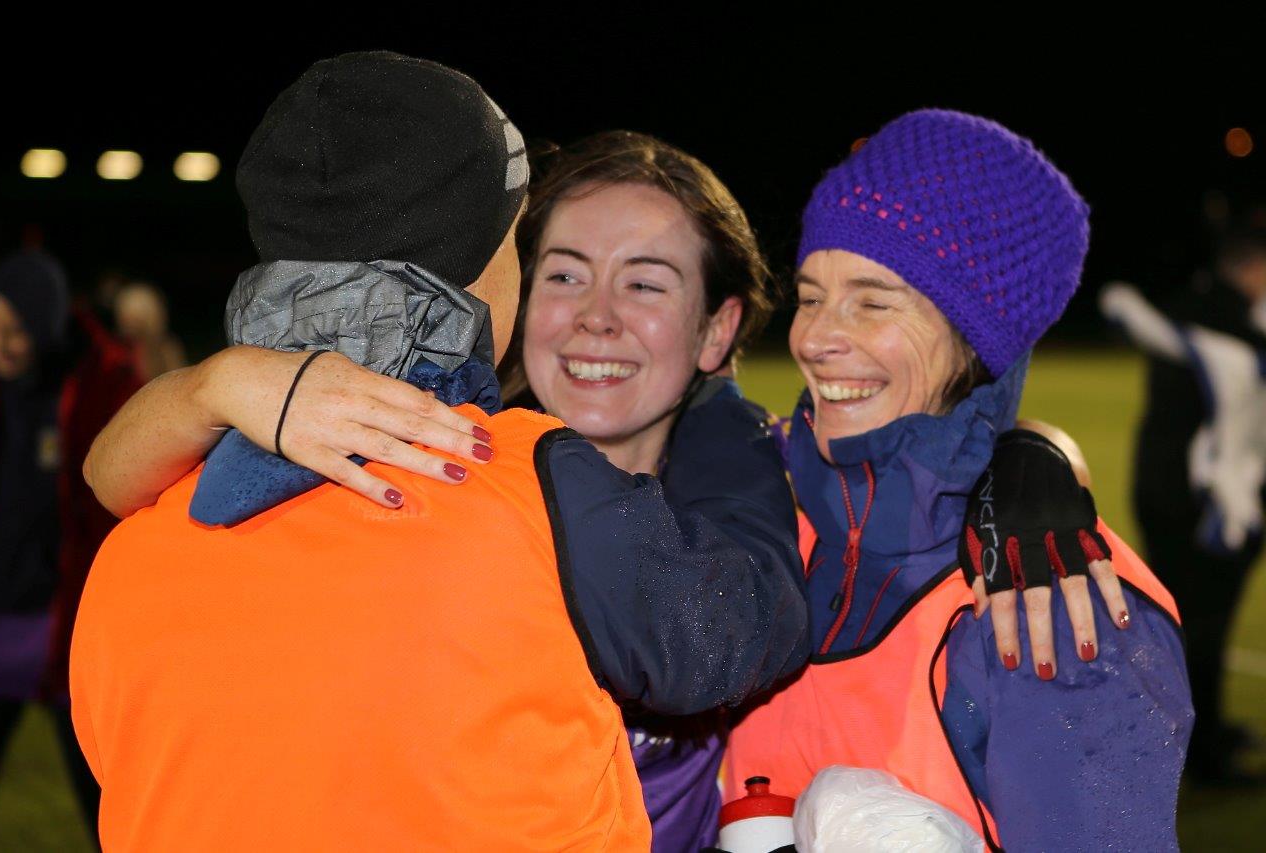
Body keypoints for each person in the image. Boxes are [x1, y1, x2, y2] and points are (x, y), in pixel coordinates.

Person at [70, 52, 807, 851]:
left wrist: (207, 388)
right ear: (484, 267)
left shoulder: (136, 544)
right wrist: (726, 416)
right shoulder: (530, 488)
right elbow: (739, 628)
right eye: (536, 254)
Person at [723, 109, 1193, 851]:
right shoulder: (754, 499)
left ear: (977, 339)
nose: (814, 337)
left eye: (873, 301)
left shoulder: (1062, 613)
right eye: (811, 295)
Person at [1100, 222, 1266, 784]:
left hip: (1161, 489)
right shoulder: (1232, 323)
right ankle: (1202, 754)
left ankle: (1201, 731)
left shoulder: (1183, 307)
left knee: (1178, 622)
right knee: (1202, 625)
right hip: (1203, 500)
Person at [0, 250, 141, 842]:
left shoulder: (105, 382)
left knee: (107, 808)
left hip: (67, 635)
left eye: (15, 329)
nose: (0, 345)